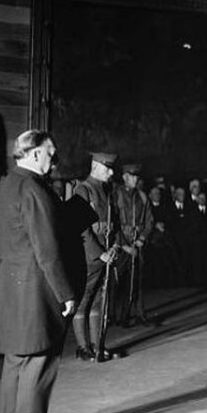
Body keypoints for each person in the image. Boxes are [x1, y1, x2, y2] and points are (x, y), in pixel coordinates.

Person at [0, 130, 79, 413]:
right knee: (41, 358)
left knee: (16, 359)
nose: (54, 159)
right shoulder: (34, 189)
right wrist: (65, 293)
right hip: (35, 287)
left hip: (10, 285)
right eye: (50, 152)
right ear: (35, 153)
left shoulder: (7, 185)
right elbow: (47, 251)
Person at [71, 152, 123, 362]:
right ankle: (82, 347)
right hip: (89, 257)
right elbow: (80, 227)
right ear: (95, 167)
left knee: (99, 302)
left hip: (107, 255)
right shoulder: (83, 190)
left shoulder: (107, 191)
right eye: (107, 168)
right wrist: (99, 253)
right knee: (83, 300)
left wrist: (115, 246)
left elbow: (115, 223)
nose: (111, 173)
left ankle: (97, 345)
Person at [113, 163, 154, 325]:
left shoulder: (142, 197)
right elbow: (113, 221)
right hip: (121, 244)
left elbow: (149, 221)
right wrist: (123, 244)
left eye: (137, 176)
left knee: (137, 280)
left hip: (137, 244)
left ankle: (138, 313)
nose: (135, 179)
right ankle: (115, 316)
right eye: (132, 176)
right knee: (117, 281)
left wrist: (141, 239)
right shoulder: (116, 195)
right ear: (125, 177)